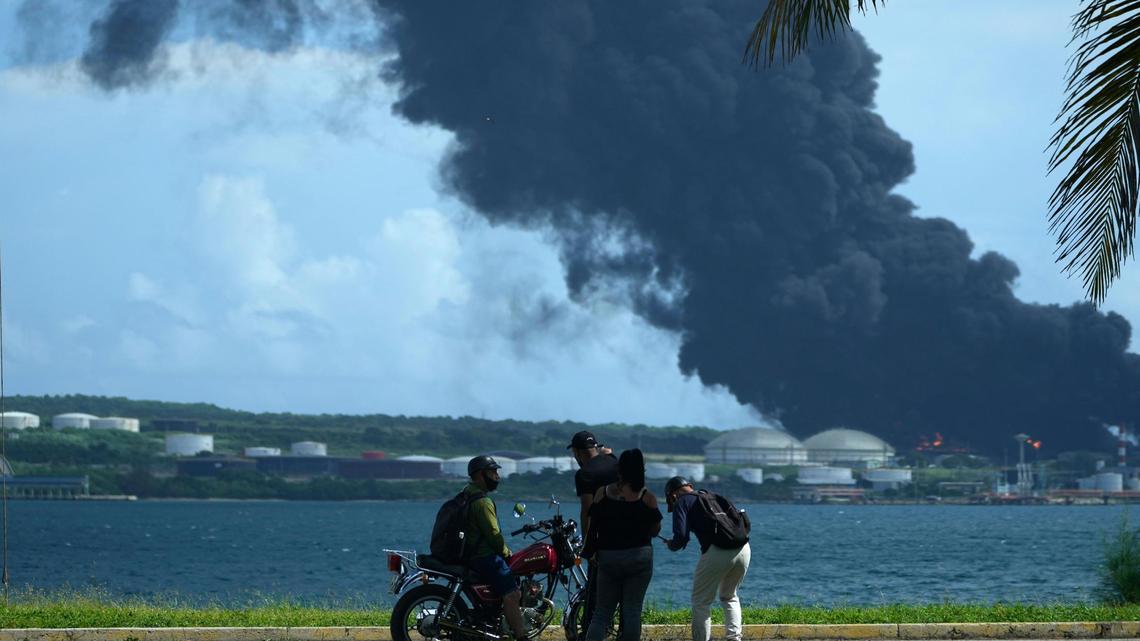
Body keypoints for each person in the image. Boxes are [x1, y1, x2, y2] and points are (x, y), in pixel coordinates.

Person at [583, 449, 662, 641]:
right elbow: (655, 531)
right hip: (639, 558)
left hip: (608, 557)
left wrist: (590, 551)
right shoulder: (647, 497)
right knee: (632, 611)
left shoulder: (603, 493)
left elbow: (593, 525)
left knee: (601, 613)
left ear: (620, 469)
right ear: (641, 470)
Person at [663, 476, 751, 641]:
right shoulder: (711, 495)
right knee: (729, 595)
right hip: (743, 548)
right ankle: (734, 638)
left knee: (701, 601)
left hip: (717, 551)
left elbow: (681, 536)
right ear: (690, 486)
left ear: (673, 495)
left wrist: (672, 545)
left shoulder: (682, 502)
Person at [464, 455, 528, 641]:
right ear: (480, 475)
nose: (497, 476)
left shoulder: (468, 492)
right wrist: (507, 553)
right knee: (513, 594)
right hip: (485, 557)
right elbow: (493, 534)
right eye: (493, 472)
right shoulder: (483, 502)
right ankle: (521, 636)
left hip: (472, 555)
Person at [567, 430, 619, 633]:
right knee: (626, 599)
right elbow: (608, 454)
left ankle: (589, 633)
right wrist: (605, 453)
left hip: (603, 540)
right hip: (629, 536)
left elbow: (586, 511)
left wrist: (589, 548)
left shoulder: (584, 474)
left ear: (578, 452)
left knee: (594, 593)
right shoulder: (615, 463)